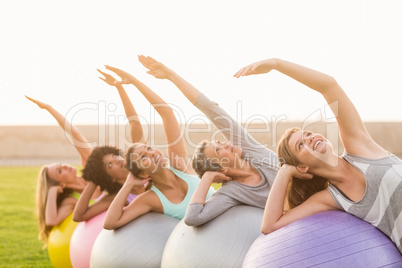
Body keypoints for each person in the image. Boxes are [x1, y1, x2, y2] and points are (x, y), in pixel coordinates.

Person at [235, 58, 402, 254]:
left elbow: (329, 86)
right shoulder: (330, 199)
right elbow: (270, 225)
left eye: (307, 133)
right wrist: (285, 171)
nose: (310, 138)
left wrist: (277, 64)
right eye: (300, 145)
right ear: (302, 167)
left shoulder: (360, 148)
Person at [137, 55, 279, 227]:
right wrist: (207, 179)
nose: (226, 144)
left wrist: (171, 76)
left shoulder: (247, 148)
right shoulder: (232, 192)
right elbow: (193, 218)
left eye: (219, 143)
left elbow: (209, 108)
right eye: (219, 151)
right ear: (222, 168)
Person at [102, 60, 216, 229]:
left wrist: (134, 81)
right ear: (141, 173)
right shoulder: (150, 199)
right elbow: (110, 223)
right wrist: (128, 184)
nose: (152, 153)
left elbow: (167, 114)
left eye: (149, 149)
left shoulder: (179, 165)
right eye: (143, 157)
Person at [26, 96, 102, 246]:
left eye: (61, 164)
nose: (66, 166)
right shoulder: (72, 200)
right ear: (60, 183)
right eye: (60, 172)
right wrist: (53, 191)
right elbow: (51, 220)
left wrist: (50, 108)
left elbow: (76, 136)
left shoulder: (90, 170)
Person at [72, 70, 147, 222]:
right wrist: (94, 178)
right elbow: (78, 216)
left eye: (115, 156)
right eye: (110, 164)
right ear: (109, 178)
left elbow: (134, 123)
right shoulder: (118, 197)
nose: (118, 160)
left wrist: (119, 88)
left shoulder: (143, 165)